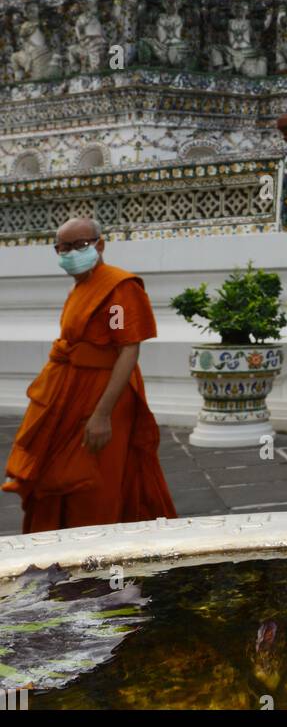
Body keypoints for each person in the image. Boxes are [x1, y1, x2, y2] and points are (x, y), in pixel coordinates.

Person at [2, 217, 176, 533]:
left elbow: (128, 350)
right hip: (68, 395)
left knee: (97, 482)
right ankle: (67, 558)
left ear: (99, 244)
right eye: (62, 247)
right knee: (58, 475)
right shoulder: (81, 287)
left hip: (104, 397)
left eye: (78, 245)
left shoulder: (119, 287)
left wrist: (102, 415)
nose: (70, 253)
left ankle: (105, 563)